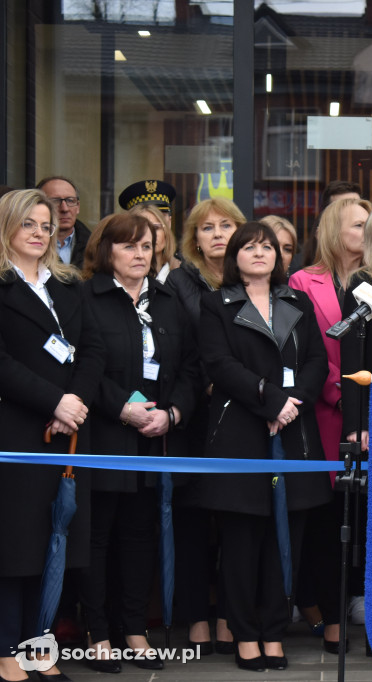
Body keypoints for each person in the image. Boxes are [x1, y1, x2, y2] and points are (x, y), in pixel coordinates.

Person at [198, 222, 331, 672]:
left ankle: (274, 633)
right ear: (233, 256)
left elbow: (316, 360)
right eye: (249, 247)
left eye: (267, 248)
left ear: (279, 257)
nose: (260, 254)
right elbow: (219, 363)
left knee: (286, 540)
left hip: (294, 434)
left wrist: (294, 404)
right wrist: (271, 400)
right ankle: (245, 634)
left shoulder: (298, 301)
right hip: (240, 433)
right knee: (241, 543)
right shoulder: (216, 304)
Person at [78, 213, 199, 672]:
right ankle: (97, 632)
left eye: (146, 246)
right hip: (106, 435)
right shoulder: (87, 298)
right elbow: (84, 366)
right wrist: (121, 408)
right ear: (107, 250)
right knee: (96, 538)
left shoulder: (168, 301)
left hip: (155, 439)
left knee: (137, 537)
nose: (139, 254)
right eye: (129, 246)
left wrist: (173, 413)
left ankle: (133, 628)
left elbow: (190, 367)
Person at [0, 189, 104, 682]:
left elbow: (92, 351)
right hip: (18, 430)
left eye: (45, 226)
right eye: (29, 225)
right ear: (7, 228)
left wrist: (75, 404)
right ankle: (6, 650)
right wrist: (53, 401)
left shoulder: (69, 286)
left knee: (53, 545)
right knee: (14, 547)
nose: (40, 233)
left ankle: (38, 647)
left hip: (68, 433)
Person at [289, 198, 372, 652]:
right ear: (333, 229)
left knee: (370, 518)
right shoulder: (301, 281)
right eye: (356, 224)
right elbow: (302, 349)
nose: (365, 230)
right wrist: (337, 394)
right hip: (322, 414)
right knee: (330, 521)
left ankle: (367, 611)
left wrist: (364, 407)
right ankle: (331, 615)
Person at [165, 196, 245, 655]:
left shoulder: (252, 277)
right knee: (194, 519)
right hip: (196, 414)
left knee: (235, 520)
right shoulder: (179, 283)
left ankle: (226, 616)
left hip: (241, 416)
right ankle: (196, 615)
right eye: (206, 228)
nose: (217, 234)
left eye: (226, 225)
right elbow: (177, 351)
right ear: (193, 238)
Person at [37, 176, 91, 269]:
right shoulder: (29, 246)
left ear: (78, 206)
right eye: (55, 201)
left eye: (70, 200)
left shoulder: (95, 246)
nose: (64, 209)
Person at [128, 203, 179, 283]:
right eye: (143, 229)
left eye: (156, 228)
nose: (151, 234)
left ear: (165, 232)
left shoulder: (184, 273)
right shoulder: (122, 278)